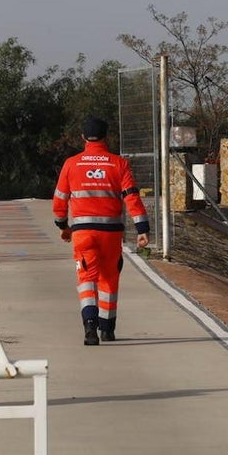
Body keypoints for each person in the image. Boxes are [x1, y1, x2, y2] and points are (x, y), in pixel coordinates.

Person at [53, 117, 150, 345]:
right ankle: (107, 330)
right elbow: (132, 197)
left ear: (83, 137)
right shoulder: (119, 164)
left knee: (86, 278)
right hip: (111, 234)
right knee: (109, 278)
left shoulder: (71, 164)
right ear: (106, 137)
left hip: (82, 233)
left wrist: (63, 226)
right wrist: (142, 228)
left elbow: (59, 200)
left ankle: (90, 327)